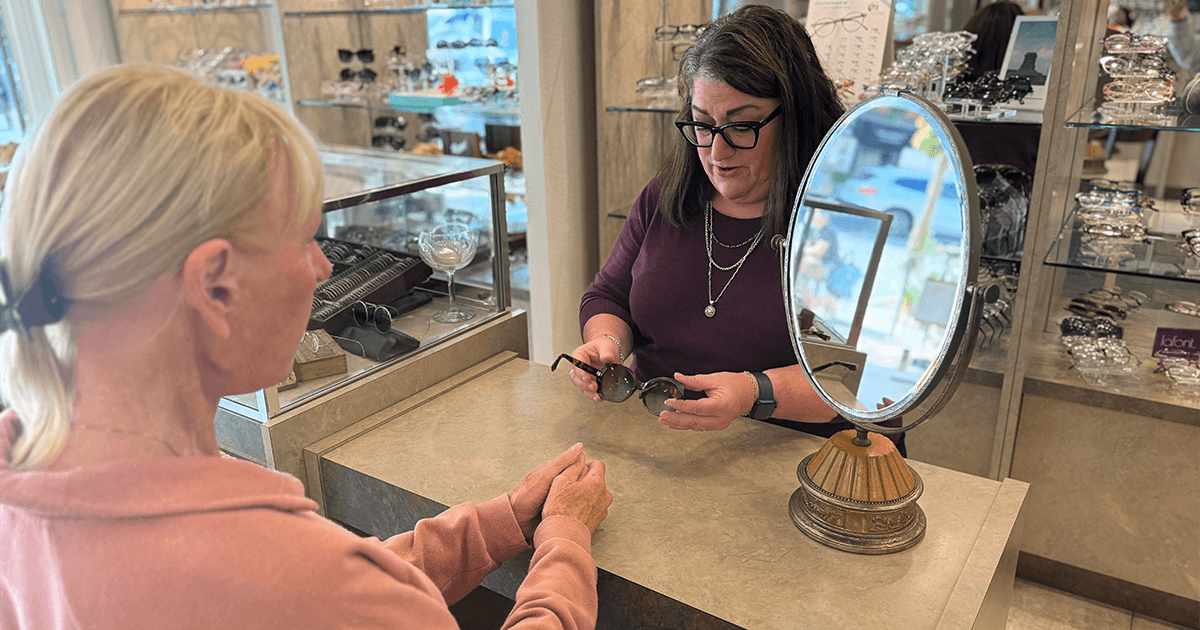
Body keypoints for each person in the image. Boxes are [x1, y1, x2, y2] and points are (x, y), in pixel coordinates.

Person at [0, 63, 612, 629]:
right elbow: (321, 592)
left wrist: (492, 526)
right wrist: (562, 541)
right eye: (303, 238)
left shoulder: (30, 486)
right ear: (213, 285)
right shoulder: (300, 583)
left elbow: (322, 590)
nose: (322, 266)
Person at [569, 5, 905, 453]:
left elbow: (858, 377)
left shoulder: (844, 220)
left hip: (802, 467)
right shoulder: (668, 196)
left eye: (742, 126)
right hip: (658, 445)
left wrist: (752, 393)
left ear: (795, 117)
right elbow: (609, 296)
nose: (717, 151)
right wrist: (606, 343)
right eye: (703, 124)